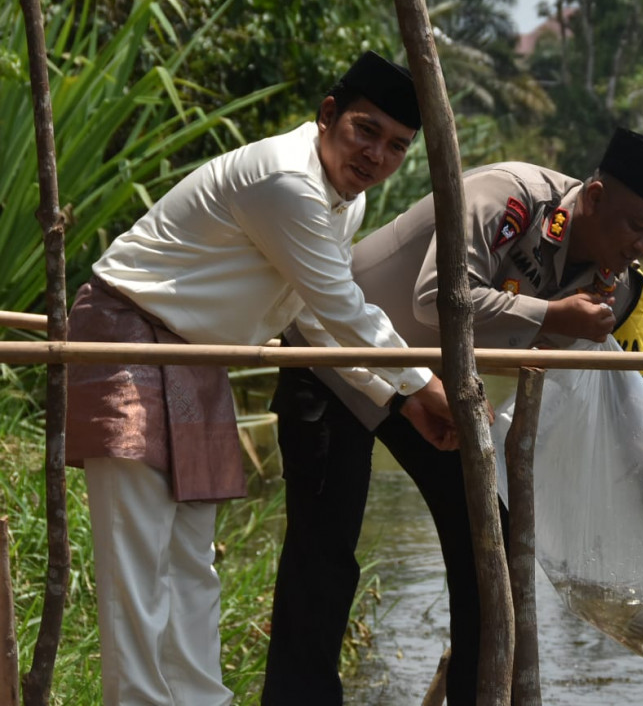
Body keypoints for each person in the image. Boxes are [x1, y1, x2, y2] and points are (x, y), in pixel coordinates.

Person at [260, 127, 643, 706]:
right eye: (637, 225)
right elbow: (436, 297)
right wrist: (550, 314)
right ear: (592, 197)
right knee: (324, 556)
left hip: (431, 391)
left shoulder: (615, 293)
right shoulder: (509, 198)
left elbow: (624, 417)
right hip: (336, 357)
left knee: (490, 554)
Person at [65, 51, 455, 706]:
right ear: (328, 115)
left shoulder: (342, 204)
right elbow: (341, 306)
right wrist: (423, 384)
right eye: (366, 131)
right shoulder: (286, 180)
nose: (377, 157)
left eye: (397, 145)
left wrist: (397, 396)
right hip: (128, 338)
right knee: (136, 566)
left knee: (190, 564)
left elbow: (317, 320)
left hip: (197, 359)